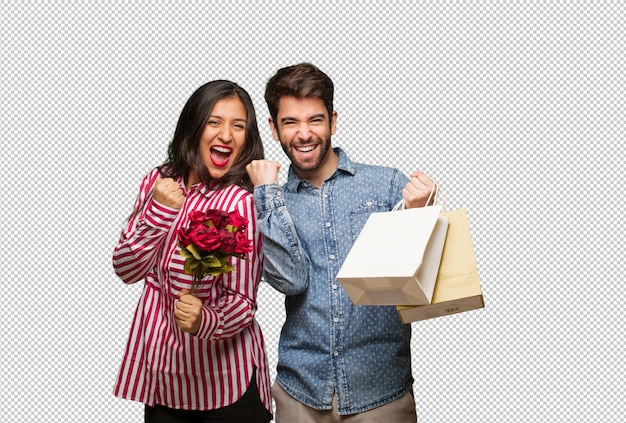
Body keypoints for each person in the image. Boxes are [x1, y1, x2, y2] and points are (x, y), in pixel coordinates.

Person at [246, 63, 436, 422]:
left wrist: (419, 214)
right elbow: (290, 279)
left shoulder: (386, 185)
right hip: (300, 394)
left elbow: (424, 290)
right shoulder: (268, 201)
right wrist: (267, 195)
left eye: (315, 120)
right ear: (273, 128)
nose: (304, 134)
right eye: (290, 122)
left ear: (333, 120)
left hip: (381, 394)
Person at [112, 80, 273, 422]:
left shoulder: (242, 201)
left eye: (238, 125)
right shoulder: (157, 182)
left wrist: (206, 319)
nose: (226, 135)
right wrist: (159, 211)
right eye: (214, 122)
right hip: (163, 379)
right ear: (194, 126)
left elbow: (242, 301)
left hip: (225, 386)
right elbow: (126, 269)